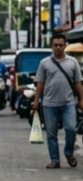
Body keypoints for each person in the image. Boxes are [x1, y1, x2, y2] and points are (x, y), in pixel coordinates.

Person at [31, 33, 83, 168]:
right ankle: (55, 160)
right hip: (49, 104)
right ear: (51, 46)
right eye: (55, 45)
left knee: (71, 129)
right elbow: (40, 83)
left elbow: (78, 83)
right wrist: (36, 101)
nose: (58, 48)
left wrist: (82, 99)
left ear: (65, 46)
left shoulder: (73, 62)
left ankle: (69, 153)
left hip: (68, 103)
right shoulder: (44, 63)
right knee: (51, 133)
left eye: (61, 45)